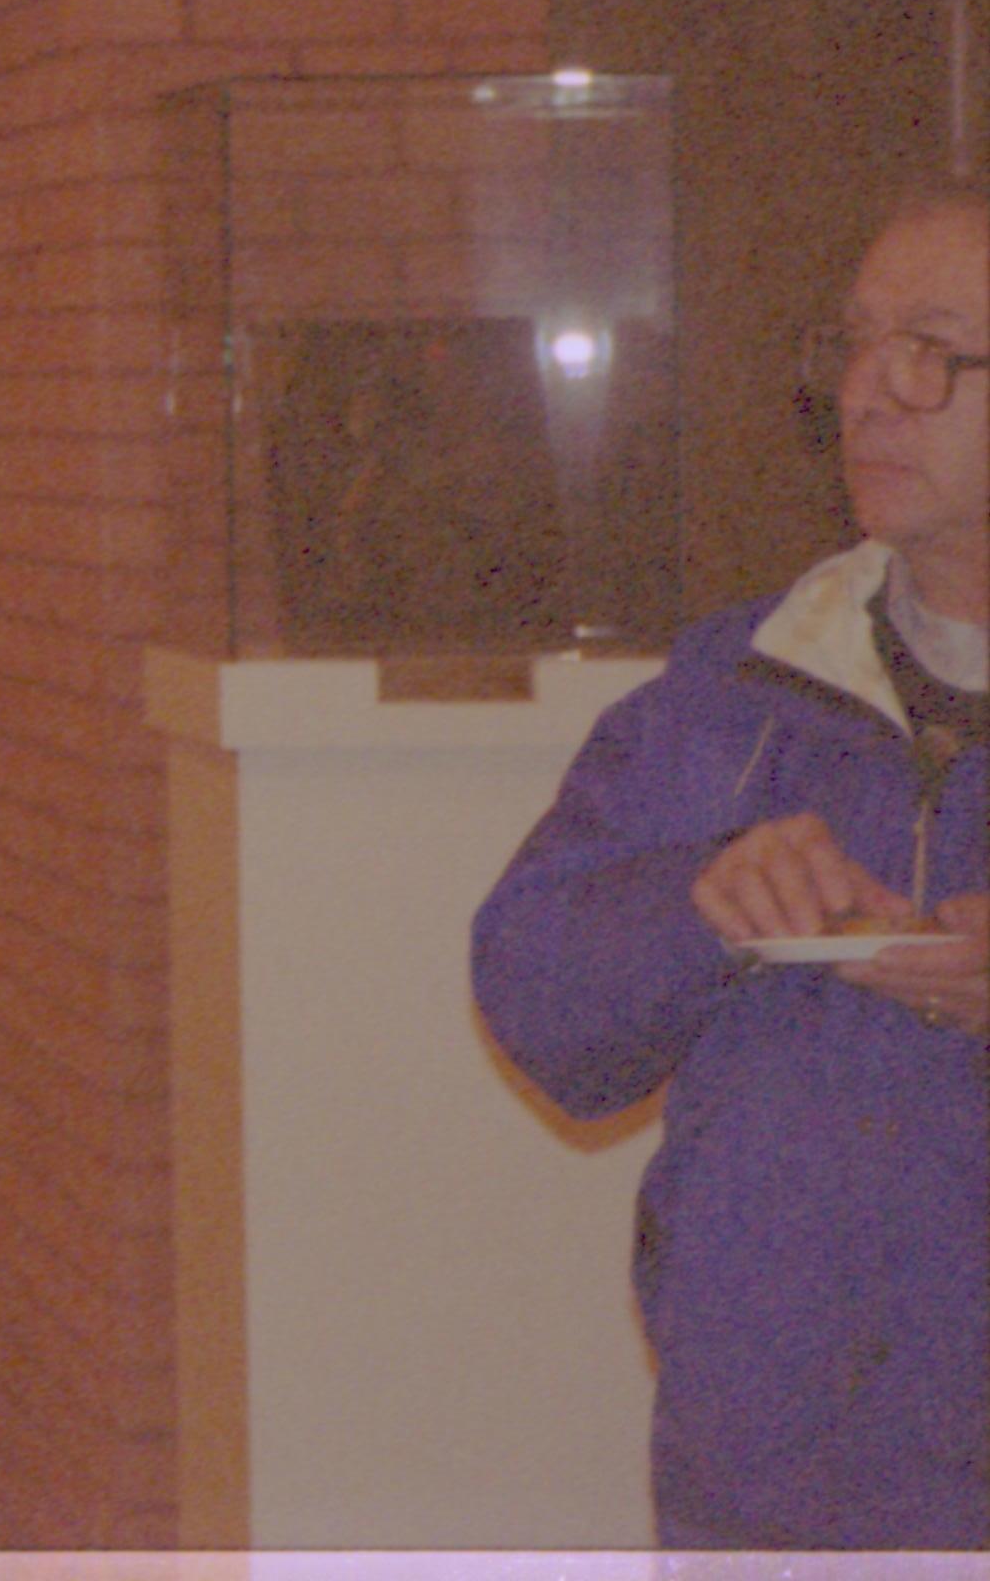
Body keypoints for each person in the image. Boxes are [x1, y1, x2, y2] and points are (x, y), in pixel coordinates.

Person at [472, 180, 987, 1550]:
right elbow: (533, 998)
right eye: (856, 344)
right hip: (772, 1488)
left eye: (932, 349)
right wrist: (696, 902)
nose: (872, 394)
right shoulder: (743, 682)